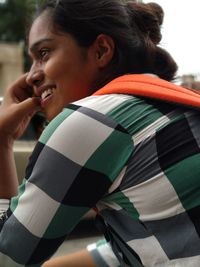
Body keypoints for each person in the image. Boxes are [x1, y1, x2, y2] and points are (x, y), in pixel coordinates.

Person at [1, 0, 200, 266]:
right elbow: (131, 248)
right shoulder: (167, 106)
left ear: (101, 50)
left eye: (44, 53)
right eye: (31, 60)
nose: (31, 76)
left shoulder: (91, 119)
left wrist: (2, 141)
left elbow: (7, 258)